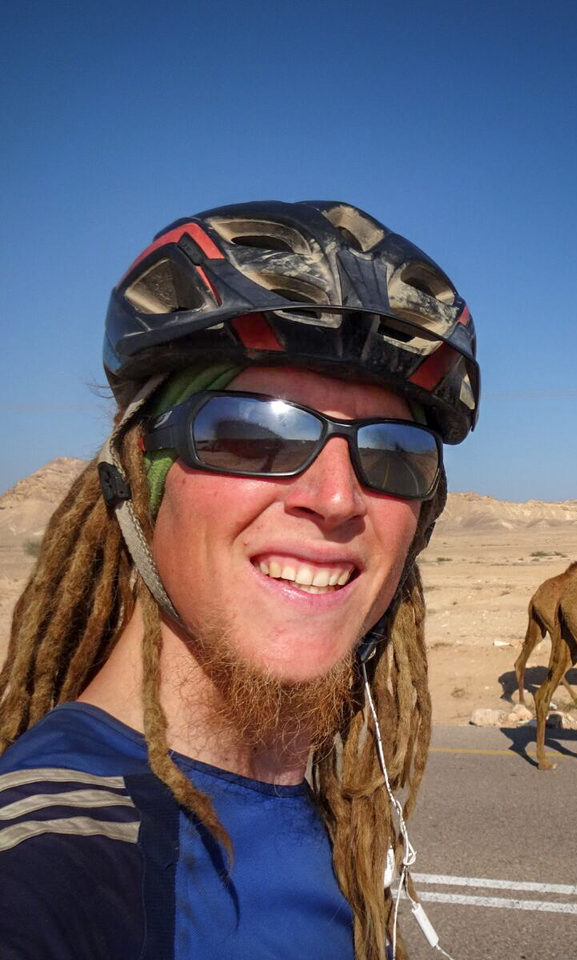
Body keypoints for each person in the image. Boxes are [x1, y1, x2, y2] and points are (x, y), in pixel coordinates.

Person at [0, 200, 479, 959]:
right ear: (139, 478)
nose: (336, 498)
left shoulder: (340, 818)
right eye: (254, 431)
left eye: (394, 452)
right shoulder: (48, 862)